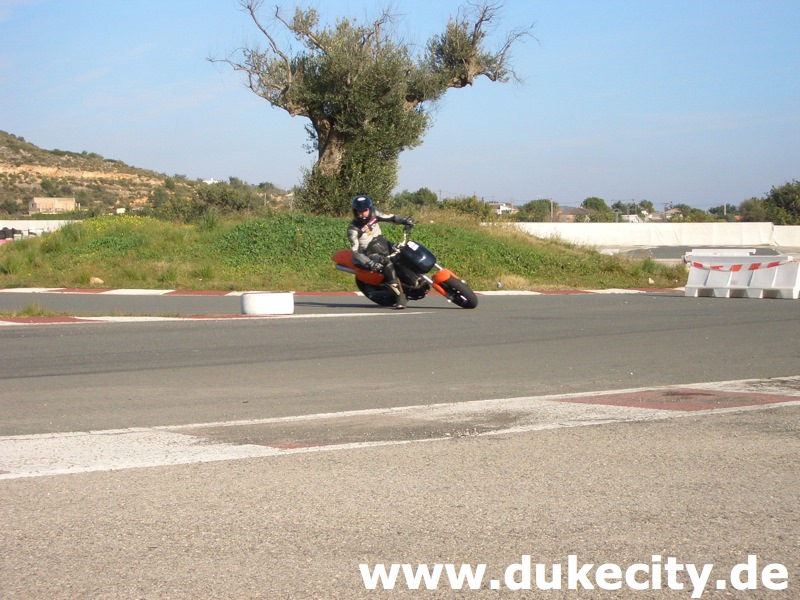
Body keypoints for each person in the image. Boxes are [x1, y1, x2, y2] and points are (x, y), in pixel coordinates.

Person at [347, 194, 413, 309]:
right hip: (370, 253)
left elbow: (391, 217)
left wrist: (405, 220)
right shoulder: (353, 229)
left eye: (365, 210)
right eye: (360, 211)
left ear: (369, 209)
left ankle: (411, 278)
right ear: (355, 212)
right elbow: (356, 252)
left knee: (406, 250)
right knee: (387, 264)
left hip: (383, 244)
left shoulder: (374, 213)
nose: (363, 213)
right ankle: (400, 297)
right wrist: (370, 263)